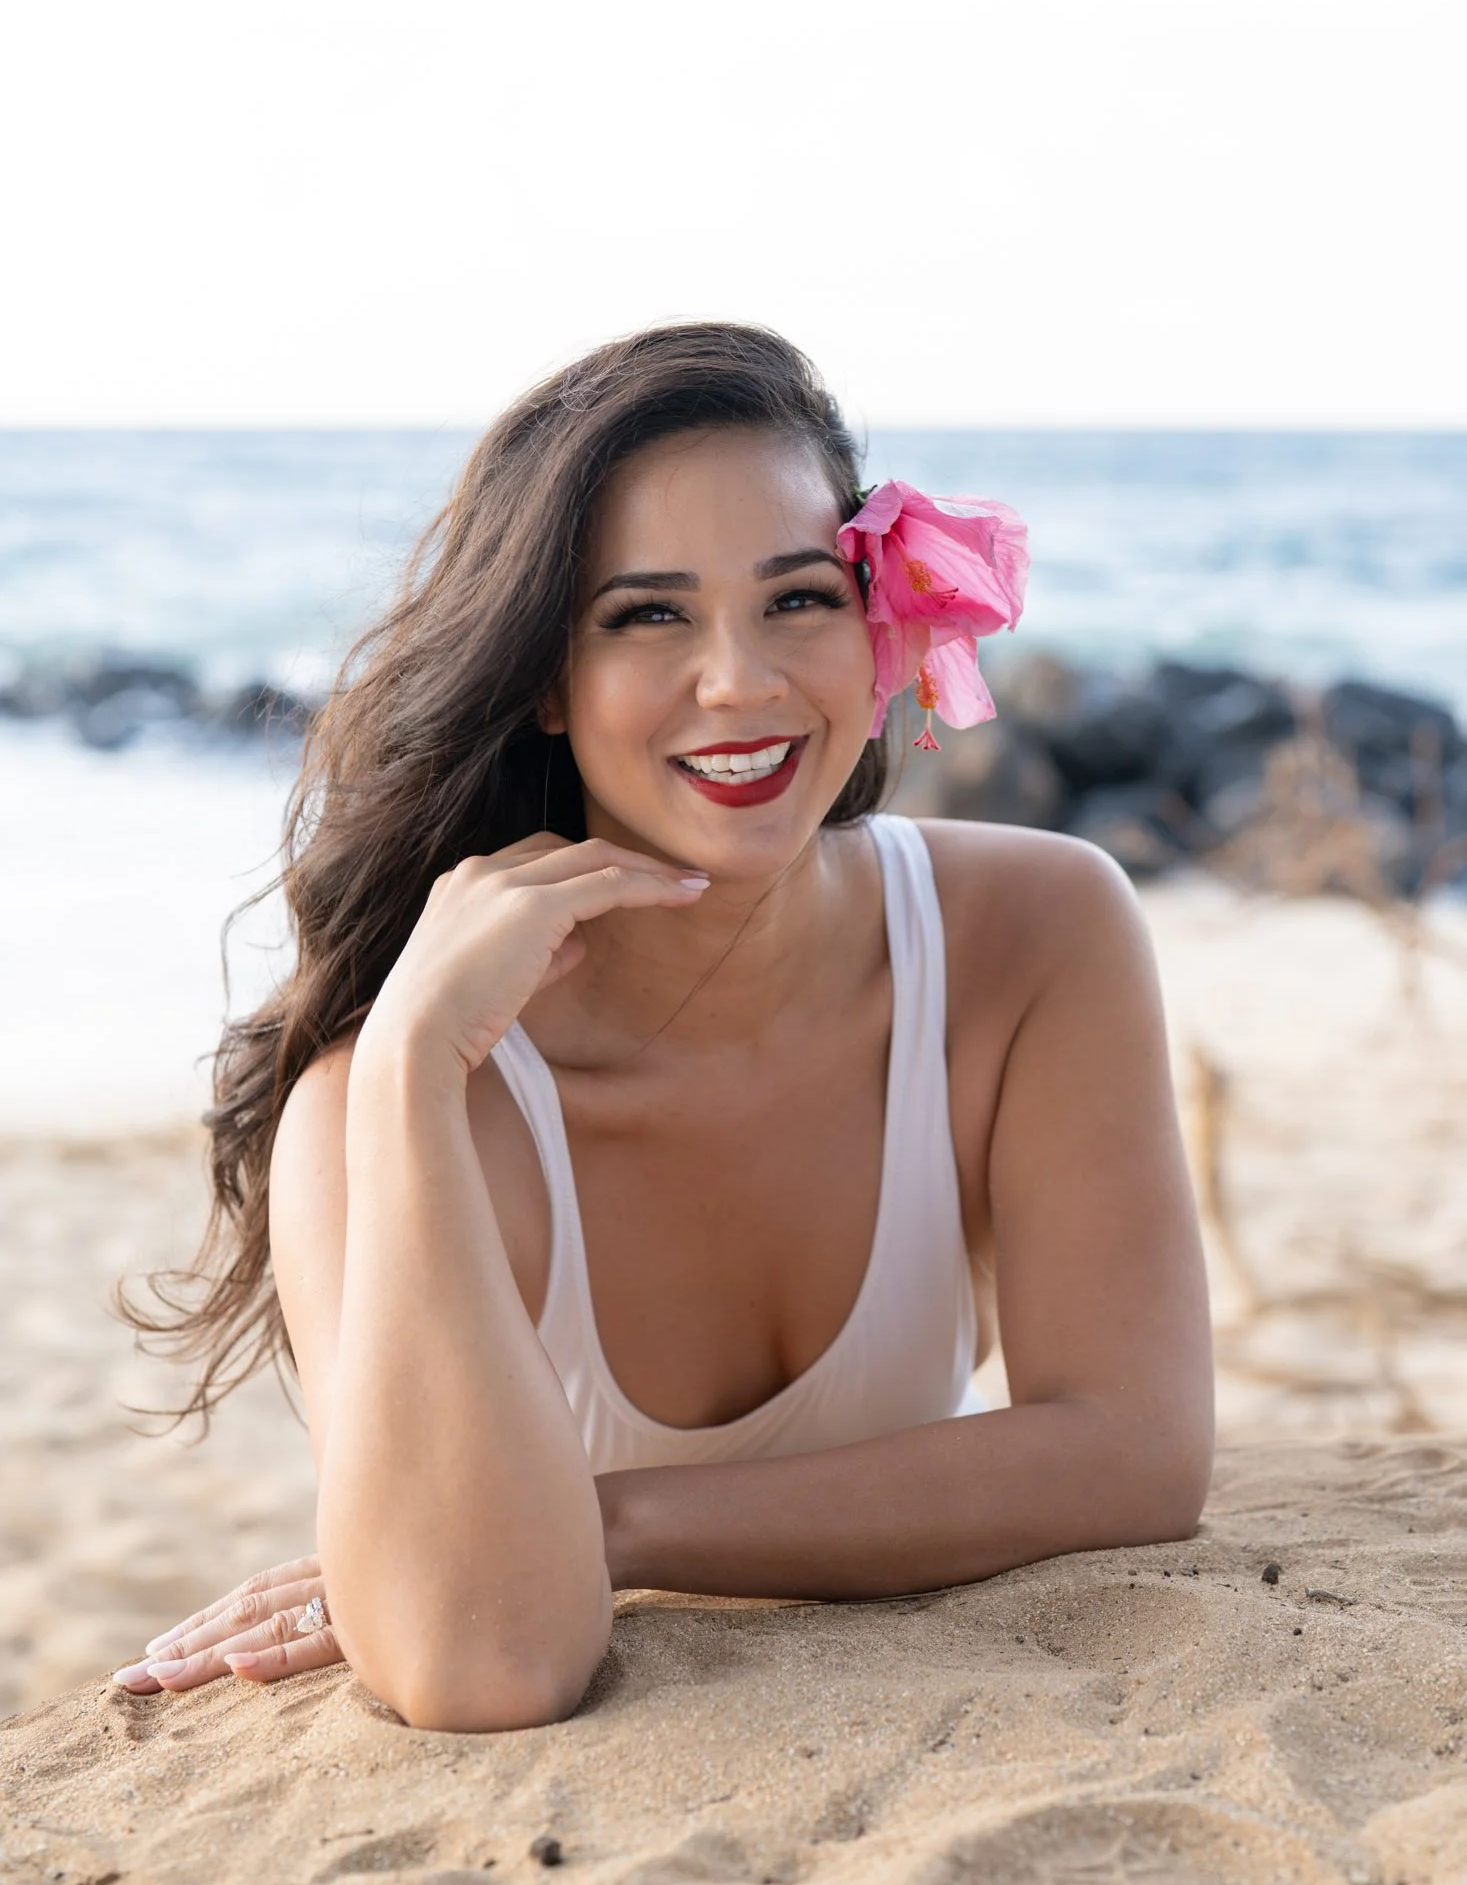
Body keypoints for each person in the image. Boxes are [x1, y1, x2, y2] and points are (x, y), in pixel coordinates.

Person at [113, 323, 1213, 1732]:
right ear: (542, 682)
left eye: (797, 600)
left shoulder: (1034, 933)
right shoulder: (393, 1097)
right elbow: (485, 1661)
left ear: (878, 627)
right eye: (647, 616)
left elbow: (1131, 1457)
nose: (741, 682)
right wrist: (405, 1066)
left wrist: (607, 1522)